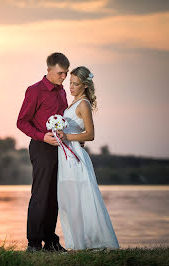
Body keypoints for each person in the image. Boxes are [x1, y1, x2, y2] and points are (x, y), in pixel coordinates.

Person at [56, 66, 119, 250]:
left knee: (81, 199)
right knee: (69, 200)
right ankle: (77, 243)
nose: (71, 87)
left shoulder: (83, 104)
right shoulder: (73, 102)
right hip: (65, 156)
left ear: (84, 85)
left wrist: (67, 137)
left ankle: (94, 242)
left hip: (75, 157)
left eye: (75, 84)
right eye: (70, 83)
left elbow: (90, 134)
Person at [16, 52, 69, 252]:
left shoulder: (62, 91)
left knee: (54, 196)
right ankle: (34, 244)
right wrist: (41, 136)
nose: (63, 77)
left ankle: (51, 242)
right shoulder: (34, 90)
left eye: (65, 73)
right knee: (40, 194)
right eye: (60, 73)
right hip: (41, 147)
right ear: (49, 70)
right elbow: (21, 122)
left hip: (60, 148)